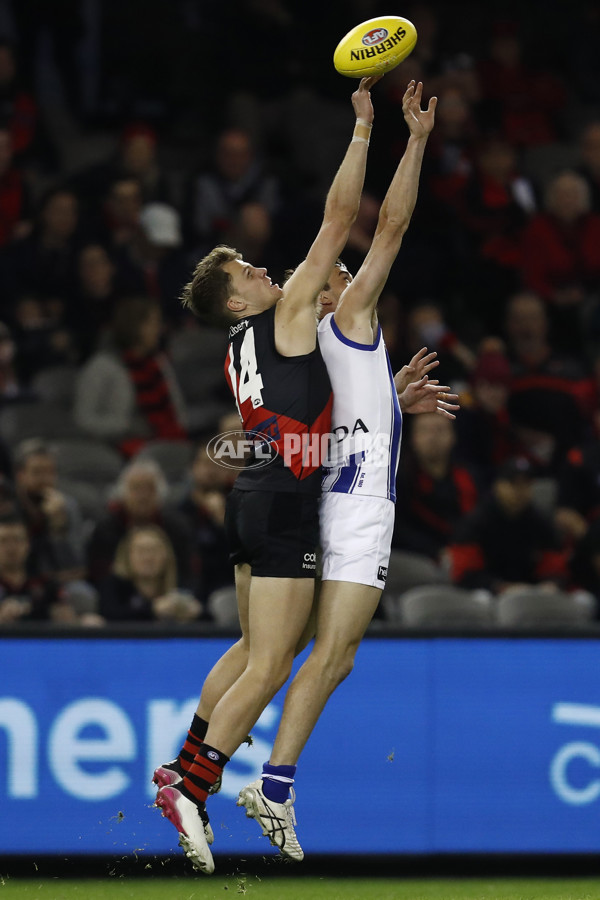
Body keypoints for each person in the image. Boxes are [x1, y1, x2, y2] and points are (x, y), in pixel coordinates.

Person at [153, 76, 381, 875]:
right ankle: (192, 781)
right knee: (277, 662)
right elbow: (341, 221)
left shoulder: (237, 347)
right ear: (239, 300)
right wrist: (361, 131)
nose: (260, 269)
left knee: (252, 644)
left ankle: (185, 757)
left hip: (253, 498)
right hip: (284, 499)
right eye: (247, 270)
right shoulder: (281, 316)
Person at [232, 80, 445, 862]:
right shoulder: (349, 317)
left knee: (314, 654)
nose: (354, 272)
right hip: (356, 509)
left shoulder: (320, 341)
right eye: (340, 273)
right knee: (332, 652)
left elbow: (344, 414)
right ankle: (272, 783)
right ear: (328, 294)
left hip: (326, 492)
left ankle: (261, 778)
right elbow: (390, 223)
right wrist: (413, 139)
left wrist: (391, 403)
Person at [99, 524, 201, 623]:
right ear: (127, 556)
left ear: (167, 556)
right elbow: (110, 616)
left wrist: (197, 613)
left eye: (154, 551)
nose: (148, 558)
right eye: (141, 551)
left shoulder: (183, 583)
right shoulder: (113, 586)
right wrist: (153, 609)